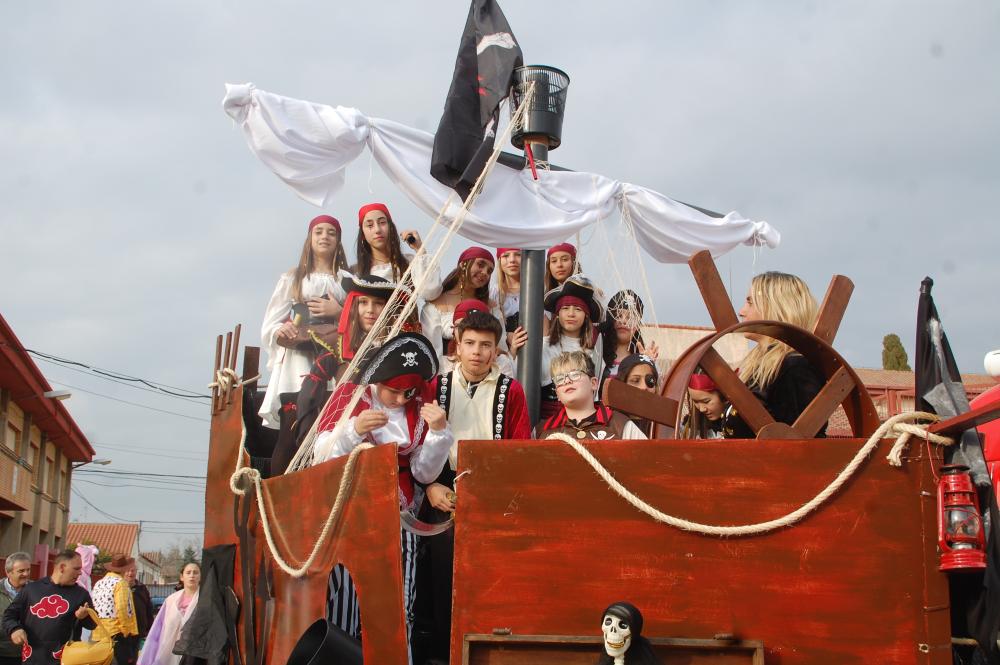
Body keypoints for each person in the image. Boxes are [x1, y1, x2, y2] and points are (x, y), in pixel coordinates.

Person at [312, 332, 452, 645]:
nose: (401, 399)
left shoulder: (420, 405)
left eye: (408, 392)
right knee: (345, 601)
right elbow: (320, 457)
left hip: (400, 514)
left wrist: (439, 434)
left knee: (400, 602)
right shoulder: (350, 397)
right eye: (394, 391)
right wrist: (353, 430)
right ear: (377, 382)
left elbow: (423, 473)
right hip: (351, 513)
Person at [413, 309, 531, 662]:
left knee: (487, 575)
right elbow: (416, 442)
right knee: (439, 573)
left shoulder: (512, 391)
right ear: (457, 347)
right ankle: (439, 653)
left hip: (490, 487)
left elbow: (519, 447)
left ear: (497, 351)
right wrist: (431, 486)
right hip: (442, 484)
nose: (477, 352)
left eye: (485, 345)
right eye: (470, 344)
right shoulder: (436, 386)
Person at [271, 273, 410, 474]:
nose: (370, 310)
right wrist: (308, 441)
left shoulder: (401, 349)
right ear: (354, 305)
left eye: (379, 303)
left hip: (389, 435)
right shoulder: (338, 345)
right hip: (343, 435)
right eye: (363, 302)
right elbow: (309, 394)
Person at [259, 215, 350, 430]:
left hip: (332, 354)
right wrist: (282, 328)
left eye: (331, 232)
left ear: (338, 240)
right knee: (293, 426)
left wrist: (338, 312)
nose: (324, 236)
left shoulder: (346, 279)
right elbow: (271, 321)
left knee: (328, 423)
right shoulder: (294, 277)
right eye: (318, 232)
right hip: (298, 355)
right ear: (310, 238)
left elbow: (359, 320)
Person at [725, 271, 826, 438]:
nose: (741, 311)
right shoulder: (759, 367)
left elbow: (802, 442)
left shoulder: (796, 367)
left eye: (750, 302)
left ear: (774, 307)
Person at [2, 550, 94, 665]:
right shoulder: (31, 589)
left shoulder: (81, 594)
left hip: (66, 660)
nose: (80, 573)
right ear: (62, 568)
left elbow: (92, 625)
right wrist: (14, 629)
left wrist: (83, 617)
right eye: (76, 568)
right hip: (32, 659)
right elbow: (9, 615)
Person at [538, 351, 647, 440]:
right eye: (560, 379)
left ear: (594, 383)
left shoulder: (620, 425)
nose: (567, 381)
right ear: (557, 393)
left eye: (575, 375)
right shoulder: (542, 431)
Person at [539, 275, 605, 420]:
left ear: (586, 316)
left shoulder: (595, 351)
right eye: (565, 308)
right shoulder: (544, 346)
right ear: (557, 314)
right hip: (547, 423)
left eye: (578, 309)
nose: (571, 314)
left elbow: (594, 398)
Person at [427, 247, 496, 356]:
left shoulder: (491, 306)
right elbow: (430, 346)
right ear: (463, 264)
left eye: (489, 271)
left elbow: (500, 348)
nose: (485, 272)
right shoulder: (437, 302)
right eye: (480, 264)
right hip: (444, 369)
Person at [137, 562, 199, 665]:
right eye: (188, 572)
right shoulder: (171, 600)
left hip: (193, 655)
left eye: (195, 572)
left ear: (200, 576)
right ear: (182, 577)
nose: (192, 575)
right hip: (168, 653)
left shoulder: (205, 600)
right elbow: (157, 630)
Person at [601, 290, 659, 382]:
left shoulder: (646, 358)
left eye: (630, 317)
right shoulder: (599, 354)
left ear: (637, 325)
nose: (623, 321)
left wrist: (647, 366)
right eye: (618, 316)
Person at [92, 554, 139, 665]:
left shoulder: (99, 583)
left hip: (99, 631)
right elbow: (122, 609)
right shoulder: (120, 583)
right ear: (125, 569)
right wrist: (126, 631)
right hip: (116, 631)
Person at [612, 353, 660, 436]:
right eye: (635, 380)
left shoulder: (665, 425)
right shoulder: (611, 423)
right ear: (622, 386)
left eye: (650, 381)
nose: (644, 387)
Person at [0, 553, 31, 665]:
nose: (26, 574)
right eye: (21, 571)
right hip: (3, 653)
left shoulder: (36, 591)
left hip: (29, 653)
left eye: (28, 570)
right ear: (8, 573)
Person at [680, 372, 728, 439]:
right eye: (696, 402)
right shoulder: (691, 426)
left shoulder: (739, 422)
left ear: (724, 394)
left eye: (706, 401)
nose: (701, 409)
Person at [490, 247, 521, 335]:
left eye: (518, 255)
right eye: (506, 256)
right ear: (499, 260)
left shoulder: (537, 292)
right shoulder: (493, 294)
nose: (512, 260)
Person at [124, 565, 153, 645]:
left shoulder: (142, 588)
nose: (130, 573)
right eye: (127, 571)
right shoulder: (119, 588)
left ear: (136, 571)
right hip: (124, 632)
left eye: (133, 571)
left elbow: (149, 609)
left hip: (140, 631)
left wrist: (150, 628)